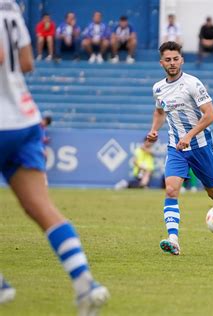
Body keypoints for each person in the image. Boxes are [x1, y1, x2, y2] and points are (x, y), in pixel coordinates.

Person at [0, 0, 109, 313]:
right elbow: (26, 62)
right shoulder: (11, 9)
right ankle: (85, 283)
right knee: (41, 207)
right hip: (23, 119)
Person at [147, 41, 213, 256]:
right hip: (176, 148)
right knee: (171, 190)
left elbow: (210, 115)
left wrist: (189, 136)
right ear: (161, 62)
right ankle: (173, 239)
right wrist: (154, 130)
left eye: (175, 59)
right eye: (168, 60)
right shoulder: (158, 88)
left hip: (200, 146)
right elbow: (160, 112)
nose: (172, 63)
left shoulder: (193, 84)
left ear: (182, 60)